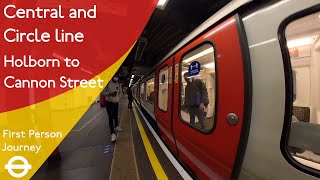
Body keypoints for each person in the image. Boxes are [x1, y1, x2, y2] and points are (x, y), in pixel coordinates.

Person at [102, 75, 123, 142]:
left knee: (116, 115)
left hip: (116, 102)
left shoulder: (118, 84)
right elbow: (102, 92)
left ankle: (116, 126)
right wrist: (110, 94)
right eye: (115, 76)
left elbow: (120, 93)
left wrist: (118, 98)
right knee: (111, 117)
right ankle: (112, 134)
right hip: (109, 103)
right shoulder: (107, 83)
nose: (116, 78)